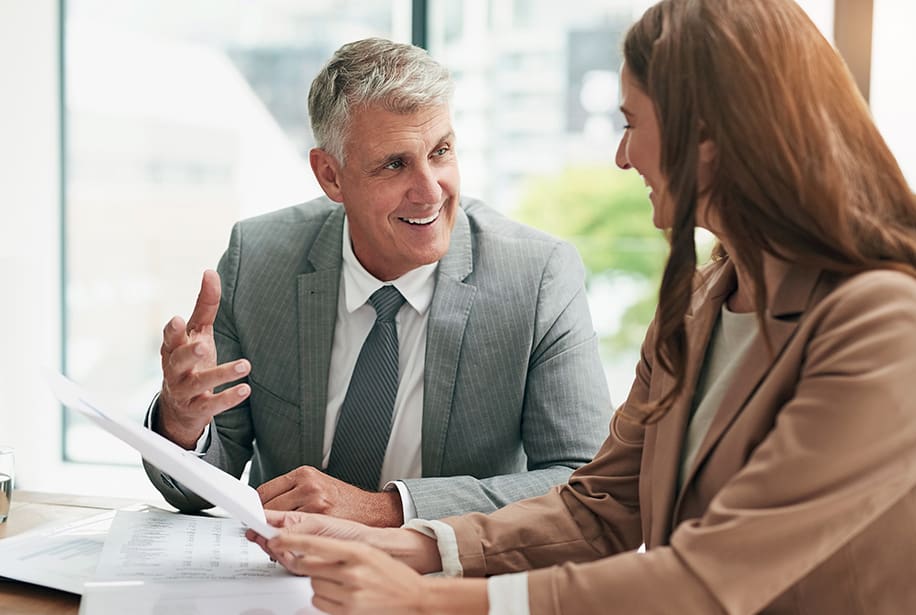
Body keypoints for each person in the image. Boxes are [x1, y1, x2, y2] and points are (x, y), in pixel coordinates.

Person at [246, 1, 916, 613]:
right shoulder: (702, 301)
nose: (623, 157)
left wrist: (433, 602)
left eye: (632, 124)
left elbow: (705, 579)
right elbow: (599, 507)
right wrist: (401, 545)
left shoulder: (884, 323)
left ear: (708, 137)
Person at [143, 37, 611, 528]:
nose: (431, 192)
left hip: (444, 585)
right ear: (331, 176)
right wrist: (182, 422)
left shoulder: (538, 277)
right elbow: (202, 487)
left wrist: (388, 509)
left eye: (441, 152)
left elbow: (584, 483)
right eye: (395, 164)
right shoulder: (257, 260)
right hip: (284, 578)